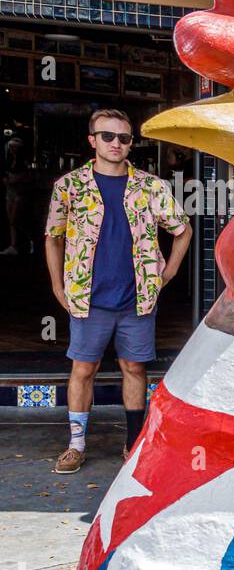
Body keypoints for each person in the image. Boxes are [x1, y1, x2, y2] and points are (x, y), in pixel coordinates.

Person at [45, 109, 191, 473]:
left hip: (136, 297)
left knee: (134, 367)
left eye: (124, 138)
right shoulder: (70, 186)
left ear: (131, 144)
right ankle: (76, 445)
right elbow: (53, 237)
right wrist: (57, 284)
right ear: (92, 140)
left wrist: (167, 272)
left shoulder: (151, 186)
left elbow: (182, 228)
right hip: (88, 296)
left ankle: (133, 442)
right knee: (83, 368)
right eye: (107, 136)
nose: (116, 144)